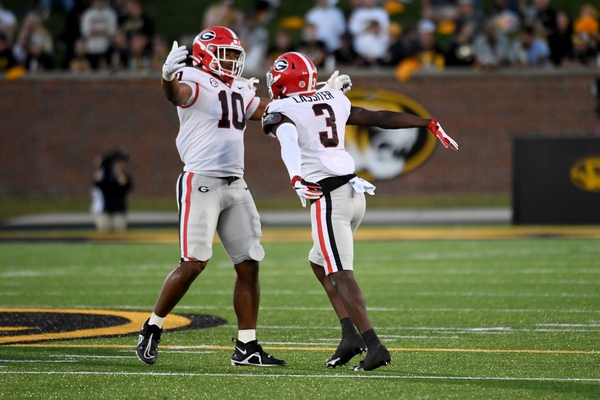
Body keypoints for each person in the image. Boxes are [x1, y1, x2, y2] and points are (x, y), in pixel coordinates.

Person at [261, 51, 458, 371]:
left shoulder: (281, 107)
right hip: (354, 194)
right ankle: (349, 335)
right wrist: (427, 122)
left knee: (339, 273)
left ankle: (374, 345)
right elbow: (380, 117)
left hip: (328, 197)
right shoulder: (333, 98)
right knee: (319, 263)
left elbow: (288, 142)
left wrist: (295, 178)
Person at [136, 26, 296, 367]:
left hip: (235, 184)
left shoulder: (238, 86)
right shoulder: (191, 76)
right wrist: (165, 77)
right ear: (207, 54)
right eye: (227, 54)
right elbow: (175, 94)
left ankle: (247, 346)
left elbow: (263, 110)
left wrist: (310, 98)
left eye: (236, 55)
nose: (233, 61)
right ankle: (152, 326)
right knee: (194, 263)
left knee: (249, 264)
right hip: (201, 181)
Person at [92, 148, 132, 232]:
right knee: (103, 230)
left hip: (119, 211)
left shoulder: (125, 176)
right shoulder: (106, 175)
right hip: (105, 210)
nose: (121, 164)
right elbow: (96, 181)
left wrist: (117, 172)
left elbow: (124, 184)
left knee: (119, 230)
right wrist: (99, 166)